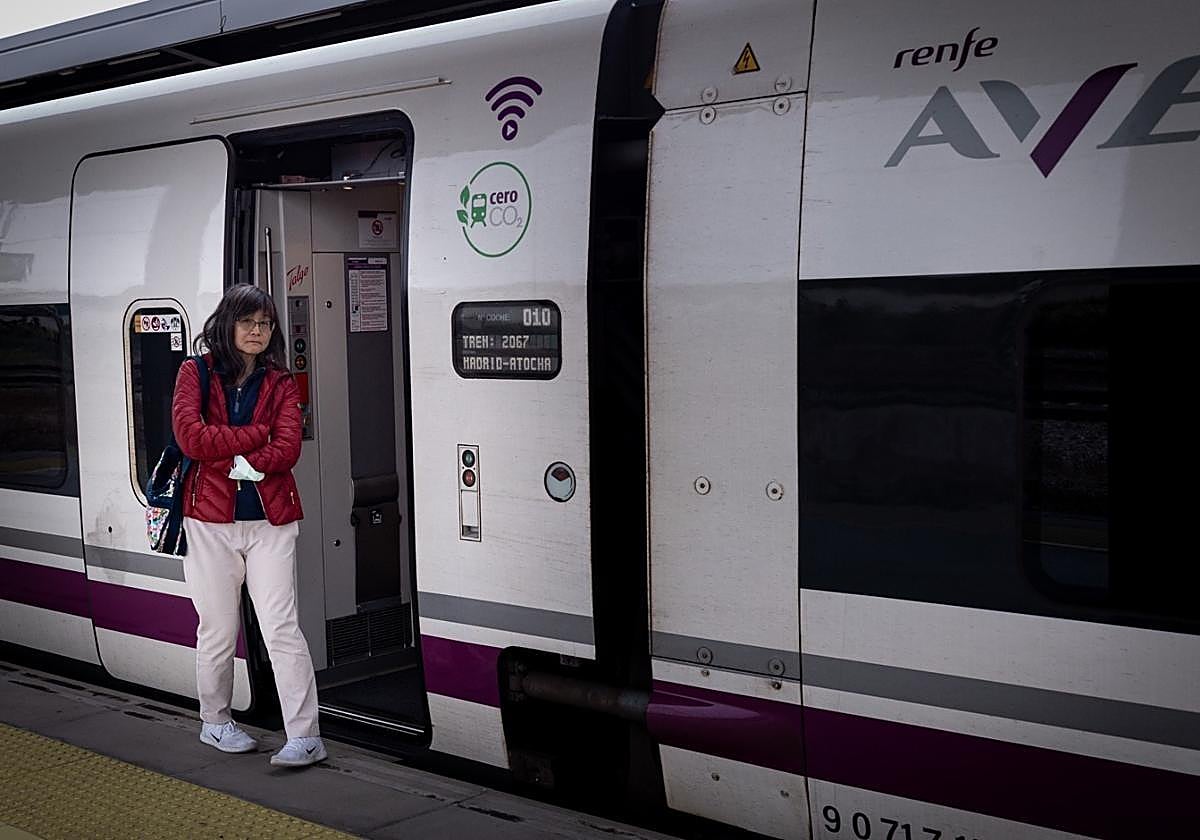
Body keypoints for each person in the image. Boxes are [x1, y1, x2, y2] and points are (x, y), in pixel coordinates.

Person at [171, 283, 325, 767]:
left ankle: (305, 736)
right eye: (248, 322)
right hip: (208, 522)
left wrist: (240, 453)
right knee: (217, 629)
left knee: (282, 629)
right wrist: (253, 439)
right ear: (227, 324)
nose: (258, 331)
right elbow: (190, 438)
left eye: (265, 324)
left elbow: (288, 449)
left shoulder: (281, 382)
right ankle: (215, 723)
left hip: (270, 523)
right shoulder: (193, 372)